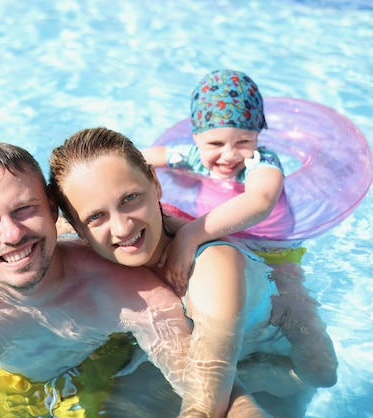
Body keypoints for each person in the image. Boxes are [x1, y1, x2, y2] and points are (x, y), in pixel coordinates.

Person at [0, 136, 325, 417]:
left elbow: (215, 392)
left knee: (315, 371)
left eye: (25, 210)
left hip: (244, 342)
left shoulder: (136, 290)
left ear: (50, 213)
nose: (11, 234)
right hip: (4, 373)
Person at [140, 69, 337, 387]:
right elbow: (132, 159)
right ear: (195, 137)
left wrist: (190, 233)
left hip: (273, 256)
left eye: (243, 141)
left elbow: (260, 201)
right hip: (220, 248)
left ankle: (296, 373)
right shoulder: (192, 157)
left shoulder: (264, 163)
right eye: (215, 142)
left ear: (258, 136)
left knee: (307, 336)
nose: (229, 155)